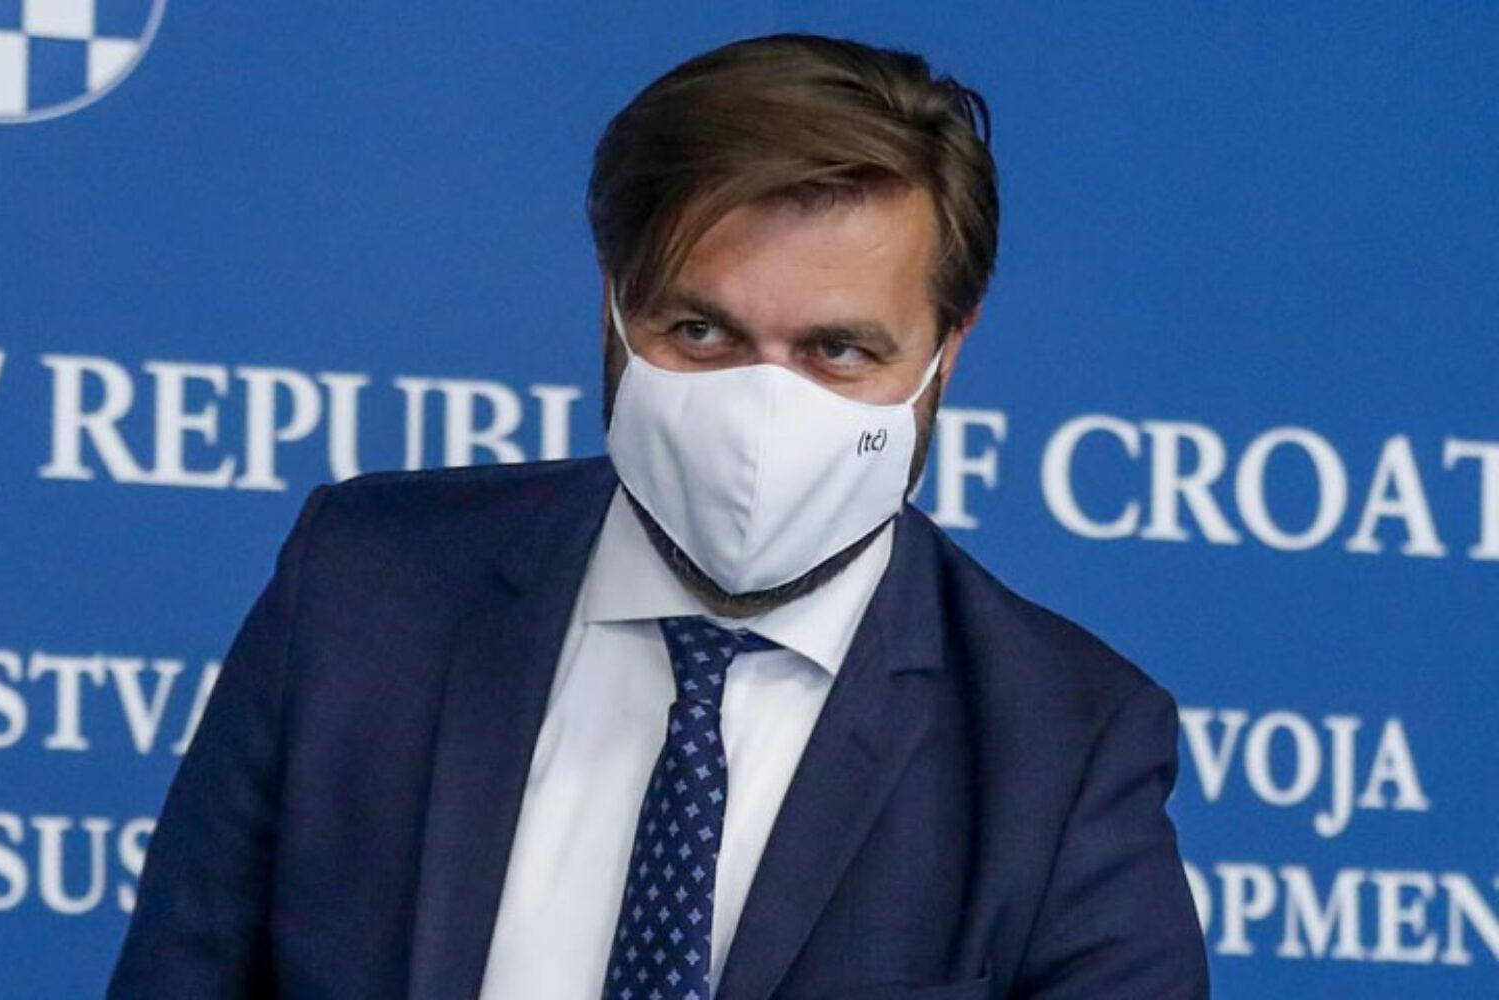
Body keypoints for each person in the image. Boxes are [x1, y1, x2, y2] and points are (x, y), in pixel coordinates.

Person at [109, 33, 1210, 1000]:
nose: (763, 408)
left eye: (838, 350)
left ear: (945, 352)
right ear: (613, 303)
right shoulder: (363, 596)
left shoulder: (1061, 749)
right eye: (701, 332)